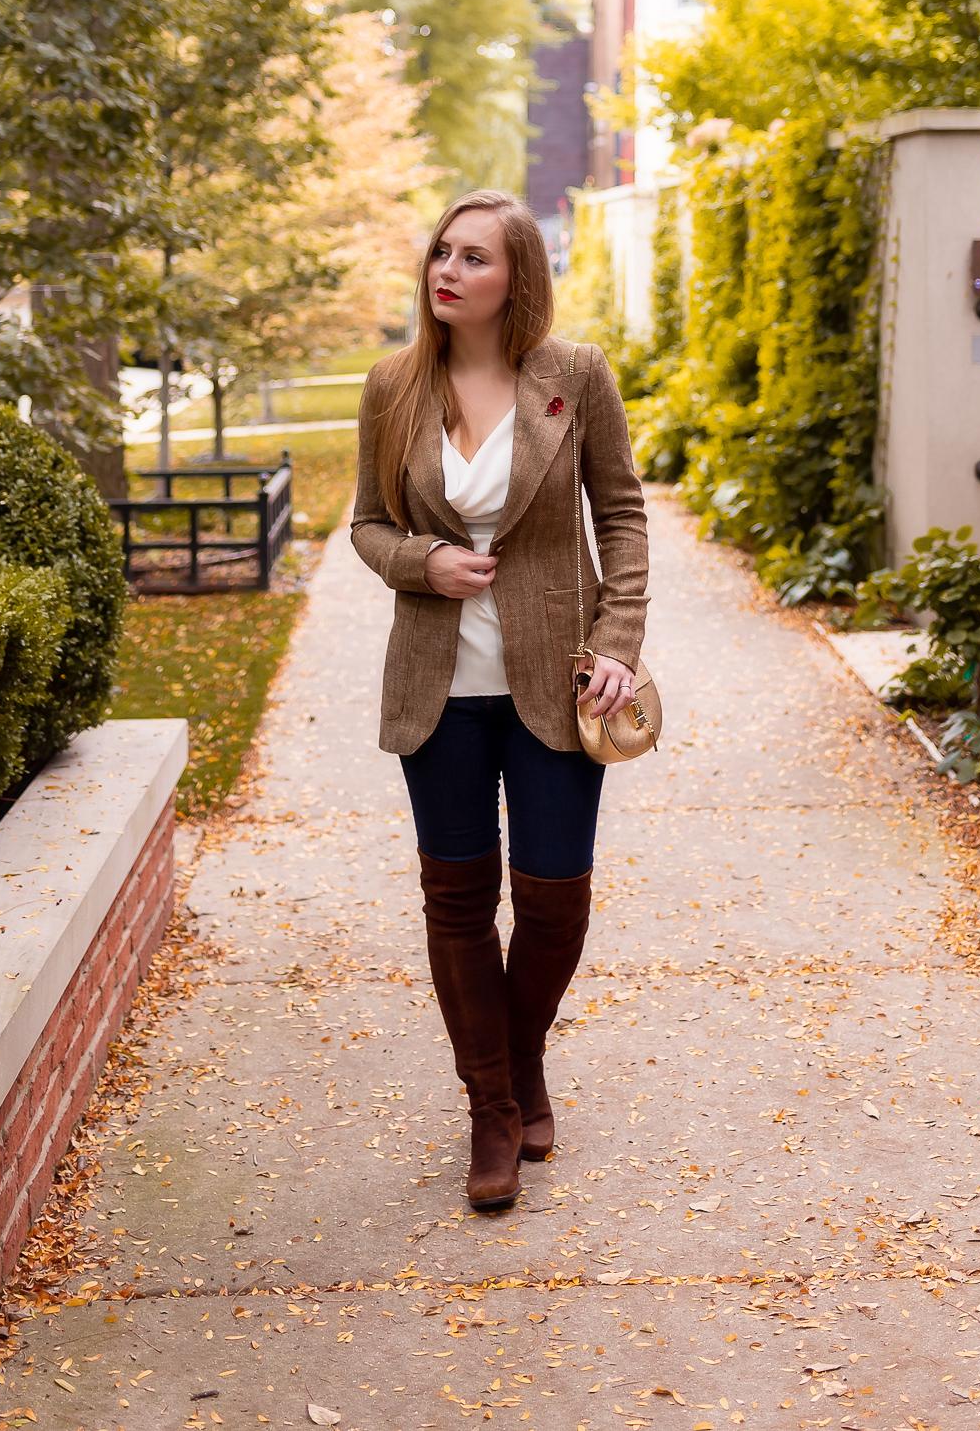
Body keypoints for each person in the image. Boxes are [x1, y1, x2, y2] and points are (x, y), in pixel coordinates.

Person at [350, 189, 650, 1211]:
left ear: (515, 277)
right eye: (441, 252)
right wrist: (420, 563)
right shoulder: (393, 387)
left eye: (473, 258)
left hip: (552, 686)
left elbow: (620, 514)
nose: (448, 270)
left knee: (556, 902)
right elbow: (364, 527)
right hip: (436, 696)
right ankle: (491, 1106)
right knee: (459, 902)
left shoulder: (572, 377)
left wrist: (616, 641)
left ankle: (518, 1062)